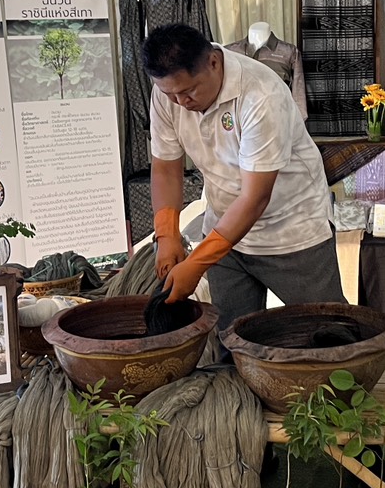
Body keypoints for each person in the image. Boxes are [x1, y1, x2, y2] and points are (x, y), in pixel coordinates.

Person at [143, 23, 343, 333]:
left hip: (290, 229)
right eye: (171, 94)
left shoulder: (260, 93)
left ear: (213, 62)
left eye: (189, 90)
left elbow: (255, 197)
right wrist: (167, 234)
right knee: (232, 338)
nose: (181, 102)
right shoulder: (168, 92)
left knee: (329, 333)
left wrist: (197, 263)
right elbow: (167, 167)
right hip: (224, 230)